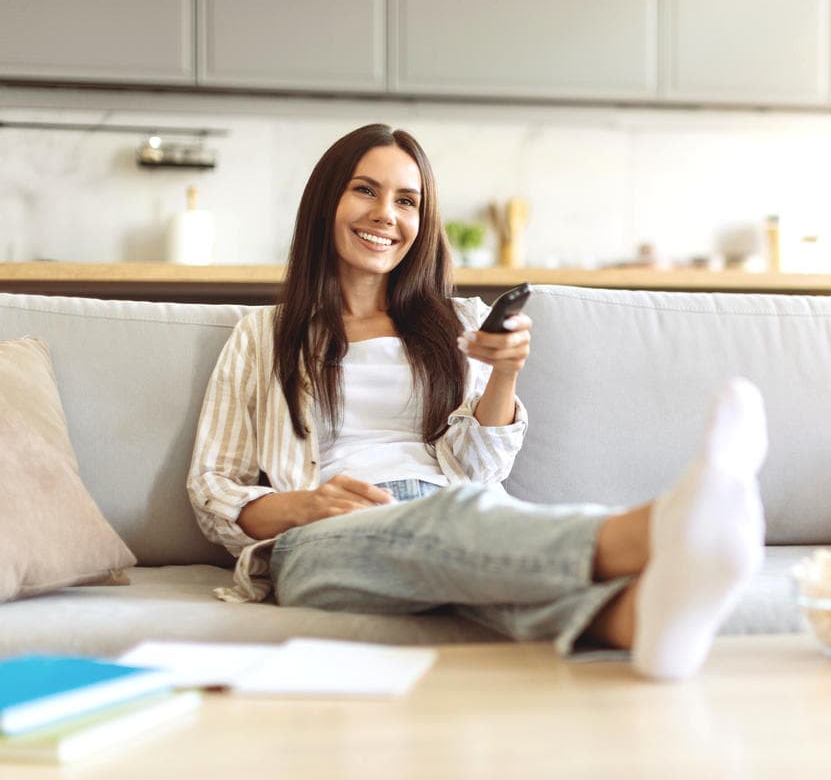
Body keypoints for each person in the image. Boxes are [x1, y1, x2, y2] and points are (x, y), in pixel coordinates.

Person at [186, 123, 768, 681]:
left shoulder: (457, 323)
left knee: (484, 568)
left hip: (458, 508)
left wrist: (503, 373)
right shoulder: (263, 336)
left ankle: (645, 624)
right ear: (324, 202)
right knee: (455, 522)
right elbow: (215, 484)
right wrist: (302, 506)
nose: (385, 214)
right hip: (325, 538)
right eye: (365, 190)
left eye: (407, 201)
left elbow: (479, 469)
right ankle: (663, 524)